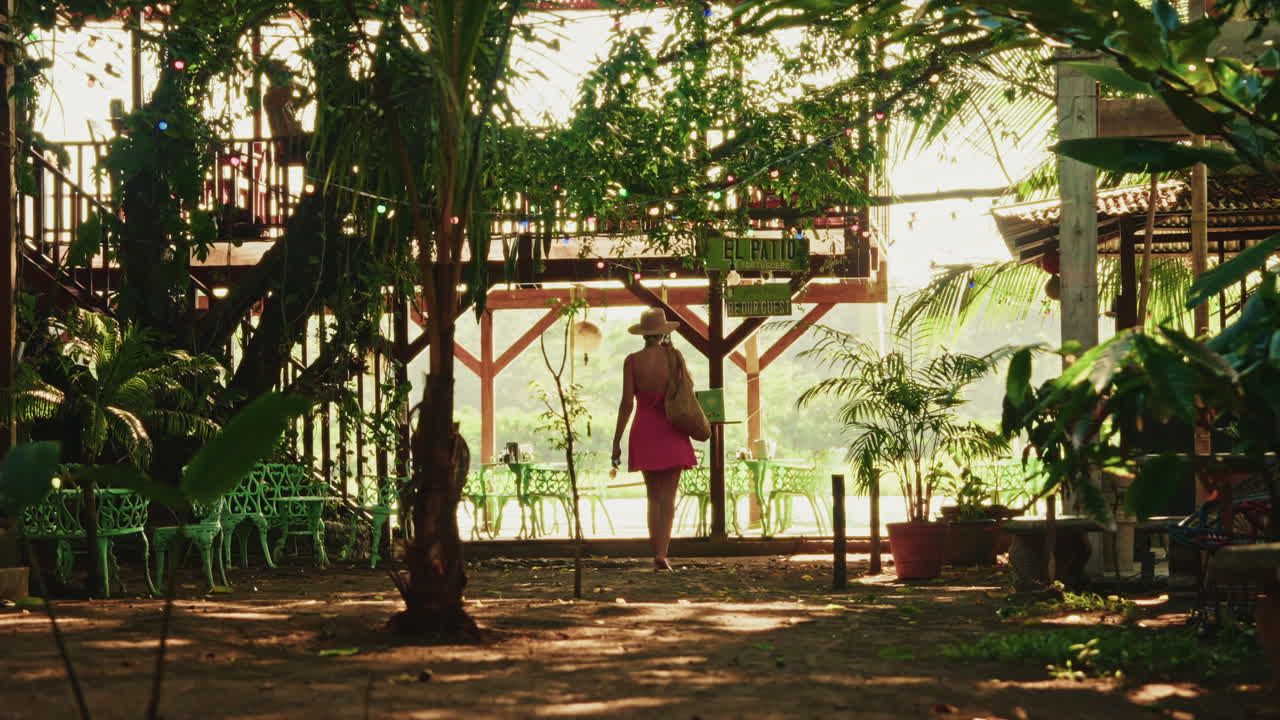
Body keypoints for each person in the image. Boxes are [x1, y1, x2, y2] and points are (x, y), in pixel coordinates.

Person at [611, 308, 697, 571]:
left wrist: (617, 440)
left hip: (644, 429)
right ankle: (663, 553)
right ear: (663, 333)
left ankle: (655, 552)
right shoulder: (675, 358)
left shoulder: (632, 361)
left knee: (653, 497)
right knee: (668, 498)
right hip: (672, 428)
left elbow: (627, 403)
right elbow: (688, 390)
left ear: (643, 334)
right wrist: (672, 351)